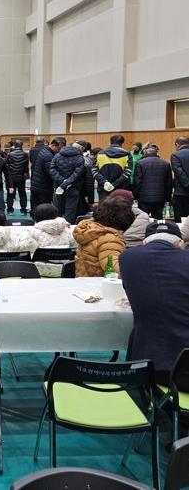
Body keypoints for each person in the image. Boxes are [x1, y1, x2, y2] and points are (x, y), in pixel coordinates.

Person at [120, 220, 189, 385]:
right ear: (180, 243)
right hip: (182, 364)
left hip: (147, 364)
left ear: (144, 242)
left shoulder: (127, 258)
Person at [73, 197, 135, 277]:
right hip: (100, 282)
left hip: (85, 279)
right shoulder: (110, 239)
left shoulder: (90, 231)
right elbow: (114, 270)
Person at [49, 140, 85, 224]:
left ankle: (56, 228)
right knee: (70, 213)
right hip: (73, 187)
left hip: (58, 186)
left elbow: (52, 169)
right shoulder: (80, 157)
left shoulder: (57, 155)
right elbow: (77, 174)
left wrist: (62, 181)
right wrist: (67, 183)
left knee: (57, 211)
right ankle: (68, 230)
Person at [133, 145, 172, 219]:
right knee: (158, 220)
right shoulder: (166, 164)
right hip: (160, 198)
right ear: (156, 153)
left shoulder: (140, 163)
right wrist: (168, 198)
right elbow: (169, 183)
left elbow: (137, 182)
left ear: (146, 153)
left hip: (143, 198)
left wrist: (135, 196)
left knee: (143, 219)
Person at [92, 134, 132, 201]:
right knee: (120, 207)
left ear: (110, 142)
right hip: (120, 190)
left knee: (104, 207)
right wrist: (115, 184)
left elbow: (94, 171)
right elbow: (127, 173)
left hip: (103, 189)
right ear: (122, 143)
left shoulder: (99, 154)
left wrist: (105, 182)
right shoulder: (127, 155)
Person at [30, 137, 61, 215]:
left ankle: (36, 219)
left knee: (37, 205)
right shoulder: (48, 155)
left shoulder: (44, 151)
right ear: (54, 145)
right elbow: (51, 172)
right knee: (44, 209)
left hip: (37, 183)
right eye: (58, 149)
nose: (59, 151)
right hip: (43, 186)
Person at [5, 139, 29, 215]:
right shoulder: (25, 154)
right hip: (21, 177)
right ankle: (23, 210)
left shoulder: (10, 154)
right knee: (22, 194)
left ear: (14, 145)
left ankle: (10, 210)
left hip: (11, 178)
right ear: (21, 145)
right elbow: (26, 166)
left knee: (10, 194)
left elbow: (7, 166)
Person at [170, 137, 189, 222]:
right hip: (182, 191)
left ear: (177, 145)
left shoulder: (175, 155)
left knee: (181, 220)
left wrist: (187, 184)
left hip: (181, 193)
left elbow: (179, 172)